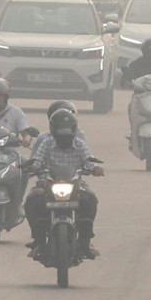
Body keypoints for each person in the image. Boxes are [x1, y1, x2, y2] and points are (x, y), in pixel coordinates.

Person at [24, 108, 105, 259]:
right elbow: (38, 159)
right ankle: (38, 241)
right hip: (47, 183)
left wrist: (95, 168)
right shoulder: (46, 144)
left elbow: (88, 160)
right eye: (61, 131)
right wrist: (34, 167)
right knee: (32, 199)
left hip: (75, 183)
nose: (64, 135)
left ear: (74, 130)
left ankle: (85, 242)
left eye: (67, 131)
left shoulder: (80, 144)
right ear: (53, 130)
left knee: (90, 198)